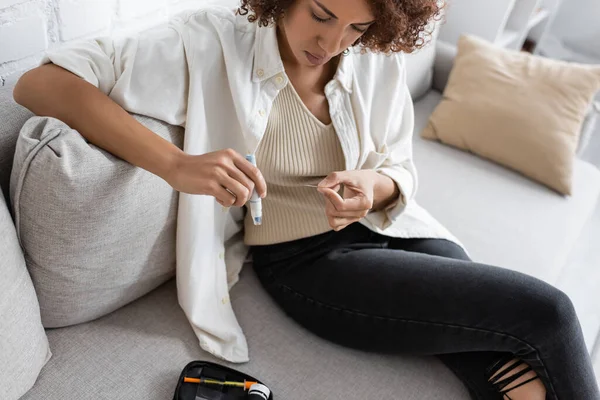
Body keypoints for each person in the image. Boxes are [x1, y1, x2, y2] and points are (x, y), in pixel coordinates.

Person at [13, 0, 599, 399]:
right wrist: (175, 165)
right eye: (321, 13)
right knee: (547, 314)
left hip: (399, 228)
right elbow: (38, 82)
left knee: (510, 371)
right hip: (309, 260)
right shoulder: (208, 41)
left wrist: (376, 186)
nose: (332, 41)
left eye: (356, 27)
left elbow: (398, 164)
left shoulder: (374, 57)